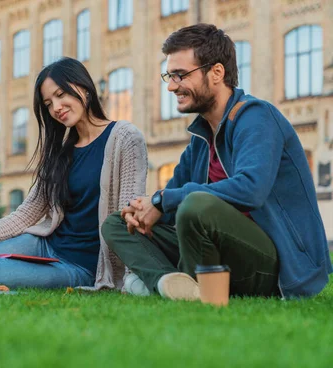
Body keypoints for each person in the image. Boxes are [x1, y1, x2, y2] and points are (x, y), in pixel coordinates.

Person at [102, 24, 331, 300]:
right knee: (117, 223)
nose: (172, 86)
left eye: (180, 75)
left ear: (217, 73)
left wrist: (164, 200)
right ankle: (168, 283)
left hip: (275, 266)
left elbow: (250, 189)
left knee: (196, 205)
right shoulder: (201, 137)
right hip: (218, 255)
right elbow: (171, 205)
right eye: (169, 76)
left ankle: (177, 284)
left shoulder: (256, 117)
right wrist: (145, 208)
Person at [0, 57, 148, 289]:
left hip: (80, 266)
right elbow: (25, 215)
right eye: (48, 103)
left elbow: (128, 216)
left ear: (83, 87)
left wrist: (132, 277)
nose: (56, 108)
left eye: (61, 94)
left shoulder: (125, 138)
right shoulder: (60, 152)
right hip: (44, 244)